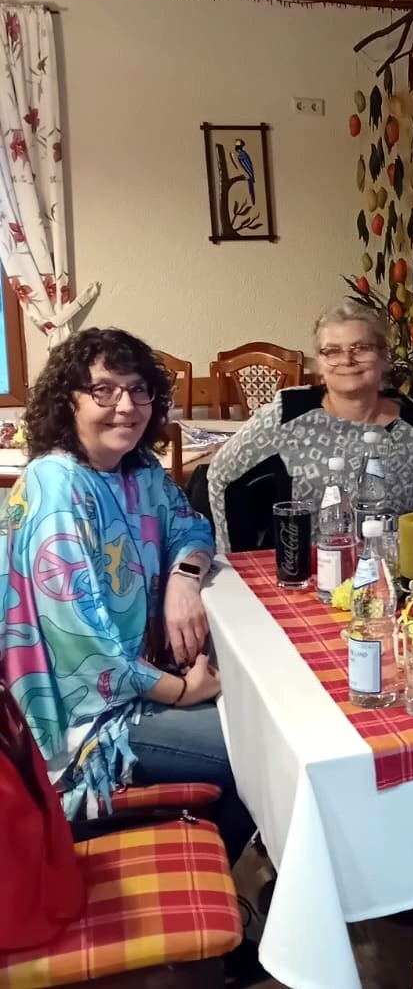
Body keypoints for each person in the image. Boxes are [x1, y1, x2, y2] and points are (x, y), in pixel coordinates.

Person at [0, 328, 252, 861]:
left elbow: (192, 527)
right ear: (68, 401)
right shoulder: (57, 484)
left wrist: (184, 577)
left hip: (138, 685)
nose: (126, 406)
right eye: (104, 390)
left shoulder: (139, 473)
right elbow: (81, 641)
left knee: (257, 724)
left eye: (139, 389)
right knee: (257, 750)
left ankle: (208, 864)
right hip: (88, 718)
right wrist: (181, 692)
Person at [208, 301, 413, 551]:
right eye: (332, 351)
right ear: (320, 362)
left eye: (361, 348)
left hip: (389, 569)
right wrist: (239, 563)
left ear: (384, 355)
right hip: (305, 570)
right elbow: (221, 476)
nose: (347, 360)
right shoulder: (288, 413)